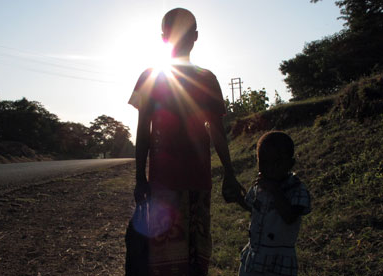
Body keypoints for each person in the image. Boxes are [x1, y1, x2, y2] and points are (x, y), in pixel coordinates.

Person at [128, 8, 244, 276]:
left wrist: (229, 172)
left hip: (190, 182)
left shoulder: (201, 78)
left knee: (190, 257)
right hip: (169, 184)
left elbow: (217, 132)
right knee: (173, 258)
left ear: (194, 37)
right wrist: (139, 178)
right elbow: (143, 130)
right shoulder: (155, 77)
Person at [236, 131, 311, 276]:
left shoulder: (295, 188)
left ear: (290, 164)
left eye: (277, 162)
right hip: (254, 254)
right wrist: (237, 198)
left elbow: (290, 217)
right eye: (263, 162)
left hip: (278, 261)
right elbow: (253, 208)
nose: (269, 168)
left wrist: (274, 191)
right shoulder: (260, 186)